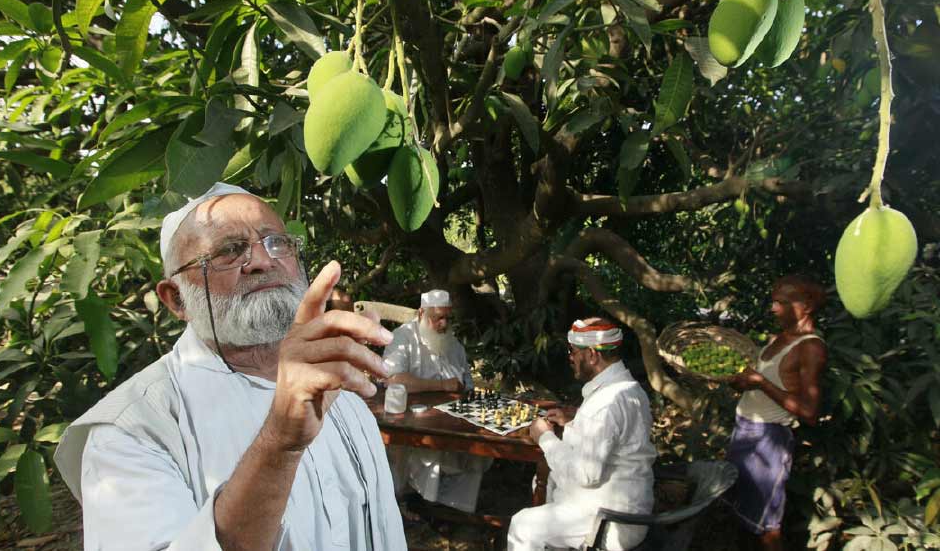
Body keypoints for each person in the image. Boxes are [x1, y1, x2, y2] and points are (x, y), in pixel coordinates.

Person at [53, 183, 407, 551]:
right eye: (229, 250)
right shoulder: (132, 430)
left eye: (276, 242)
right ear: (176, 299)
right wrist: (281, 440)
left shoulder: (339, 389)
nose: (262, 260)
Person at [507, 319, 656, 551]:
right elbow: (614, 435)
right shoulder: (629, 388)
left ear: (593, 355)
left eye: (573, 351)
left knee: (523, 525)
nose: (570, 357)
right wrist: (575, 423)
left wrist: (545, 437)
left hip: (612, 520)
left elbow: (586, 474)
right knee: (546, 481)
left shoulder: (606, 403)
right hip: (626, 506)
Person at [727, 275, 828, 551]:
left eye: (781, 303)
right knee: (744, 507)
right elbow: (761, 385)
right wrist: (740, 381)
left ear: (807, 306)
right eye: (773, 301)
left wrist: (761, 382)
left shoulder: (811, 348)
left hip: (769, 438)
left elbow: (809, 412)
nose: (773, 308)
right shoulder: (778, 339)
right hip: (744, 430)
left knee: (767, 525)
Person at [382, 290, 487, 513]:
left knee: (477, 450)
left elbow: (467, 385)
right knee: (430, 452)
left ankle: (454, 509)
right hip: (412, 423)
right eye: (438, 318)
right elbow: (393, 379)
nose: (444, 324)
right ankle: (420, 503)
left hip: (452, 421)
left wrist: (463, 389)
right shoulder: (403, 337)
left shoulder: (454, 345)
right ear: (422, 313)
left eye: (448, 318)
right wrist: (442, 385)